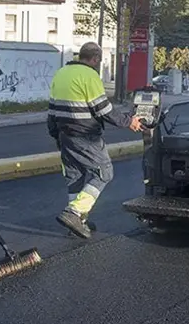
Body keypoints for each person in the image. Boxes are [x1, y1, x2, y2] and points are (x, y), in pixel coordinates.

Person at [48, 42, 143, 238]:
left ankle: (77, 222)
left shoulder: (61, 74)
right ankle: (74, 213)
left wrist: (56, 135)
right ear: (95, 59)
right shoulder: (89, 76)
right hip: (85, 135)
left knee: (75, 176)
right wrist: (128, 121)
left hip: (65, 134)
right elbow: (103, 109)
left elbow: (52, 109)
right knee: (104, 172)